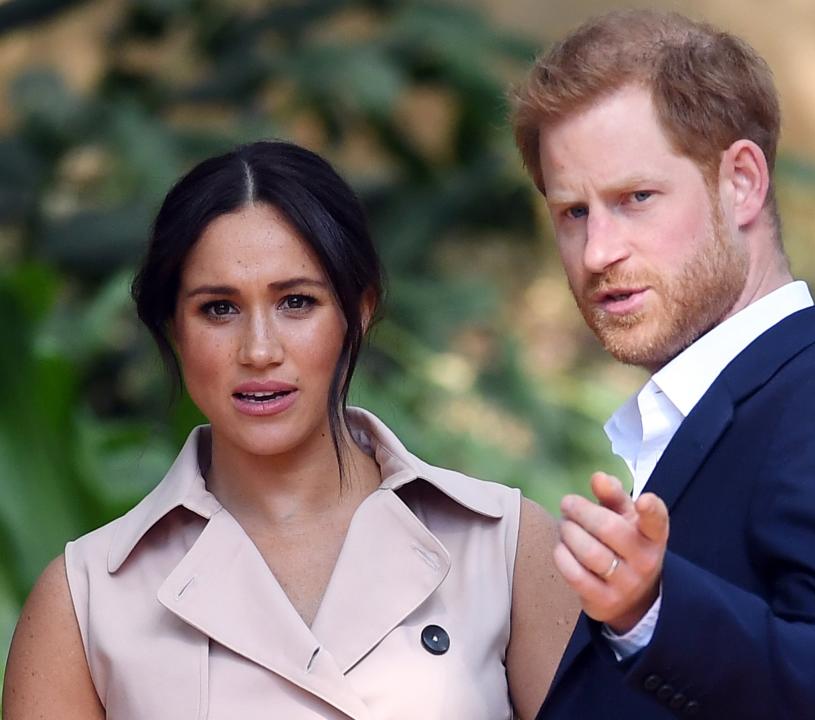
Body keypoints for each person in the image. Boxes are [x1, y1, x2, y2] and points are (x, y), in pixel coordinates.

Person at [2, 140, 579, 719]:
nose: (259, 350)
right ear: (173, 329)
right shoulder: (85, 600)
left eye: (297, 302)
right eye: (219, 309)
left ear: (358, 312)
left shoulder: (506, 546)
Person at [509, 9, 815, 719]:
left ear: (742, 181)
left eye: (636, 199)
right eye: (574, 213)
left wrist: (655, 613)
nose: (597, 254)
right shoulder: (711, 419)